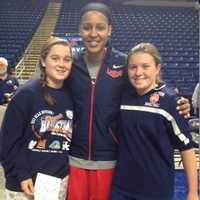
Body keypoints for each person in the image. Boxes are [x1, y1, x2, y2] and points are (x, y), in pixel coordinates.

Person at [66, 2, 191, 200]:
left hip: (111, 160)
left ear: (109, 30)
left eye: (100, 27)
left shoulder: (124, 64)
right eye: (87, 27)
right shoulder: (70, 66)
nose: (93, 33)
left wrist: (177, 103)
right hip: (73, 157)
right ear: (79, 29)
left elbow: (148, 84)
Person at [110, 43, 198, 200]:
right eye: (133, 67)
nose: (138, 72)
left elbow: (187, 148)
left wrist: (192, 191)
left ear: (157, 68)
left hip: (155, 190)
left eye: (145, 66)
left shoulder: (171, 102)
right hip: (120, 188)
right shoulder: (122, 96)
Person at [1, 37, 74, 200]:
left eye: (67, 59)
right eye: (55, 58)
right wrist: (22, 174)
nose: (62, 64)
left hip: (56, 184)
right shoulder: (26, 93)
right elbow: (8, 142)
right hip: (25, 184)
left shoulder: (72, 96)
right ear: (43, 60)